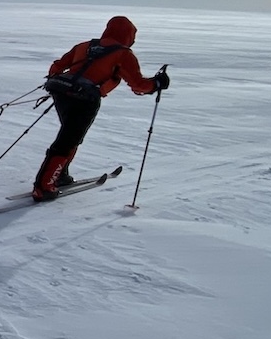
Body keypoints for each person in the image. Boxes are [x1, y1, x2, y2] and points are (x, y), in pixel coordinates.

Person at [32, 15, 169, 202]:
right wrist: (157, 84)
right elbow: (138, 85)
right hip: (85, 99)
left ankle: (59, 175)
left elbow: (57, 66)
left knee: (70, 135)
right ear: (129, 36)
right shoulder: (123, 54)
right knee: (68, 139)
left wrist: (64, 83)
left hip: (61, 94)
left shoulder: (85, 46)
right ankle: (44, 186)